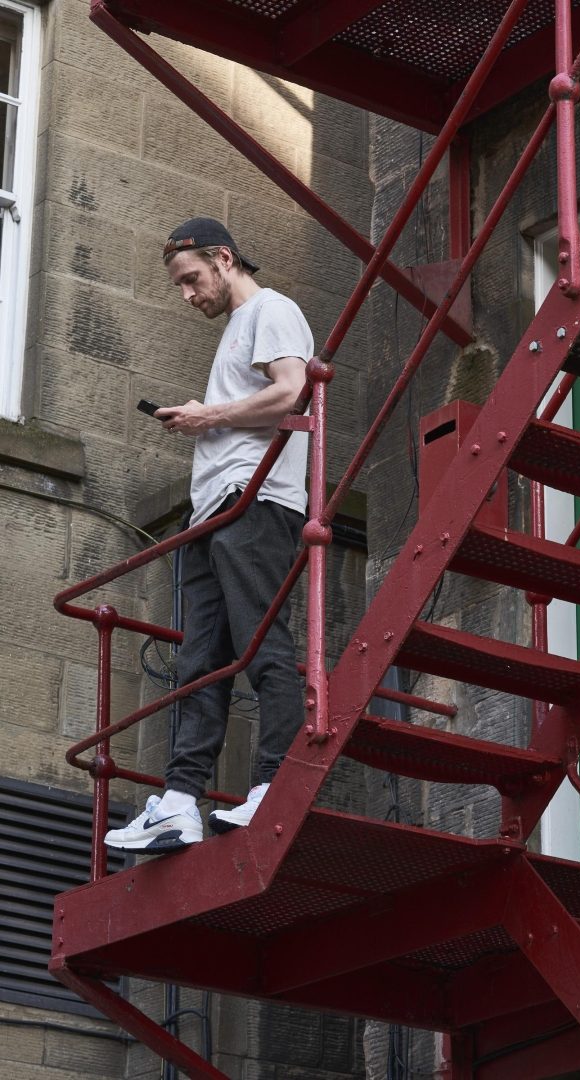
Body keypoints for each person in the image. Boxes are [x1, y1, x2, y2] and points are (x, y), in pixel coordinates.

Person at [105, 217, 313, 852]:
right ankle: (179, 800)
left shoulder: (272, 310)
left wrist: (208, 414)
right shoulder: (236, 332)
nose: (188, 295)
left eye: (192, 279)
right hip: (216, 510)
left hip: (255, 501)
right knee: (201, 662)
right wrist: (207, 419)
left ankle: (275, 784)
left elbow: (292, 392)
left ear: (224, 258)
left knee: (260, 645)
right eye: (179, 286)